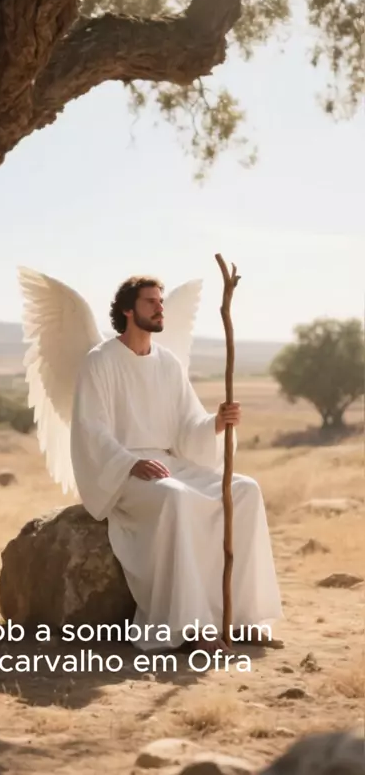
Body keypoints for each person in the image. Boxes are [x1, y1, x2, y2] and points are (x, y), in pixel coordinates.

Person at [70, 275, 283, 653]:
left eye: (161, 301)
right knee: (175, 496)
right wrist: (128, 463)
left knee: (245, 491)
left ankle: (242, 618)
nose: (160, 308)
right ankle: (192, 627)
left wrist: (216, 423)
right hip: (125, 473)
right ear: (128, 310)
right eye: (150, 302)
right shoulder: (100, 361)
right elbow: (91, 428)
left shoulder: (167, 363)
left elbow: (187, 426)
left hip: (169, 462)